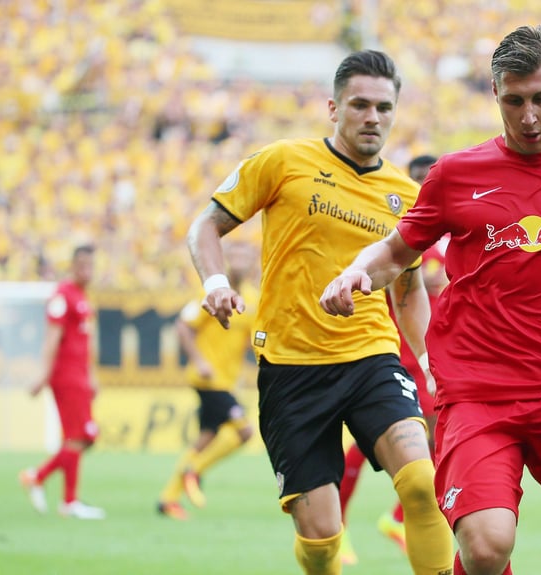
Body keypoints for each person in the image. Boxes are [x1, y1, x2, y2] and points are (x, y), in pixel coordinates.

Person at [321, 25, 541, 575]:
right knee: (485, 547)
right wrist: (355, 273)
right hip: (479, 393)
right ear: (495, 95)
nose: (529, 116)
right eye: (514, 101)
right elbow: (394, 251)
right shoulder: (455, 174)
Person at [185, 50, 453, 575]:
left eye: (383, 106)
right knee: (323, 538)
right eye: (359, 105)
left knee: (423, 482)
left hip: (371, 358)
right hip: (292, 370)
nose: (372, 117)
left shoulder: (406, 194)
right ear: (334, 108)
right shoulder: (282, 161)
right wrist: (215, 282)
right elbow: (205, 227)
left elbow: (409, 289)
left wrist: (428, 361)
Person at [338, 154, 446, 564]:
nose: (422, 188)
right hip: (397, 350)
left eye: (428, 180)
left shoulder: (451, 237)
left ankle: (399, 517)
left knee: (436, 437)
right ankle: (342, 525)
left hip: (434, 353)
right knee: (379, 438)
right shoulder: (398, 231)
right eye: (416, 180)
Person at [157, 241, 258, 520]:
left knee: (205, 438)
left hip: (226, 381)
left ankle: (168, 498)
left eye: (245, 254)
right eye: (235, 252)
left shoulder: (252, 300)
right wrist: (199, 361)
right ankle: (195, 470)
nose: (239, 259)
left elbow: (253, 341)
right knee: (244, 431)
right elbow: (183, 325)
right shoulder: (212, 291)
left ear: (253, 263)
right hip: (207, 379)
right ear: (226, 259)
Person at [19, 244, 106, 520]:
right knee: (79, 437)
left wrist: (91, 376)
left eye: (91, 266)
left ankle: (41, 479)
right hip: (65, 376)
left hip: (79, 376)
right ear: (72, 266)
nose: (87, 271)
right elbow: (52, 338)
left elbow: (86, 343)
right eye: (82, 265)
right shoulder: (62, 296)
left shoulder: (82, 296)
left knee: (84, 437)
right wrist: (43, 375)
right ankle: (65, 499)